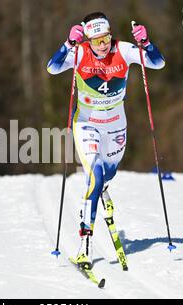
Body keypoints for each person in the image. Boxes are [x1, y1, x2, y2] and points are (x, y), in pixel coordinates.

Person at [47, 12, 165, 268]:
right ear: (88, 40)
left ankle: (101, 191)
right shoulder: (79, 54)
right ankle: (85, 245)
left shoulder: (123, 50)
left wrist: (147, 44)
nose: (103, 45)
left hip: (115, 126)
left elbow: (157, 63)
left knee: (108, 174)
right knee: (96, 174)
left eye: (107, 39)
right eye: (97, 41)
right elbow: (53, 67)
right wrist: (67, 44)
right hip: (87, 123)